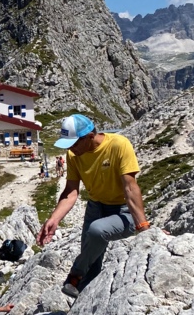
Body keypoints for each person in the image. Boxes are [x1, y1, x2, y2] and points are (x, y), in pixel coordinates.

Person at [35, 114, 155, 298]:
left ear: (90, 136)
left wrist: (144, 228)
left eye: (74, 144)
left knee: (96, 231)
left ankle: (75, 275)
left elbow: (130, 188)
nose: (70, 149)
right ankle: (83, 300)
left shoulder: (118, 145)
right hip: (95, 207)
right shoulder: (74, 154)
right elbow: (71, 191)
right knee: (91, 256)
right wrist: (54, 219)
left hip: (124, 211)